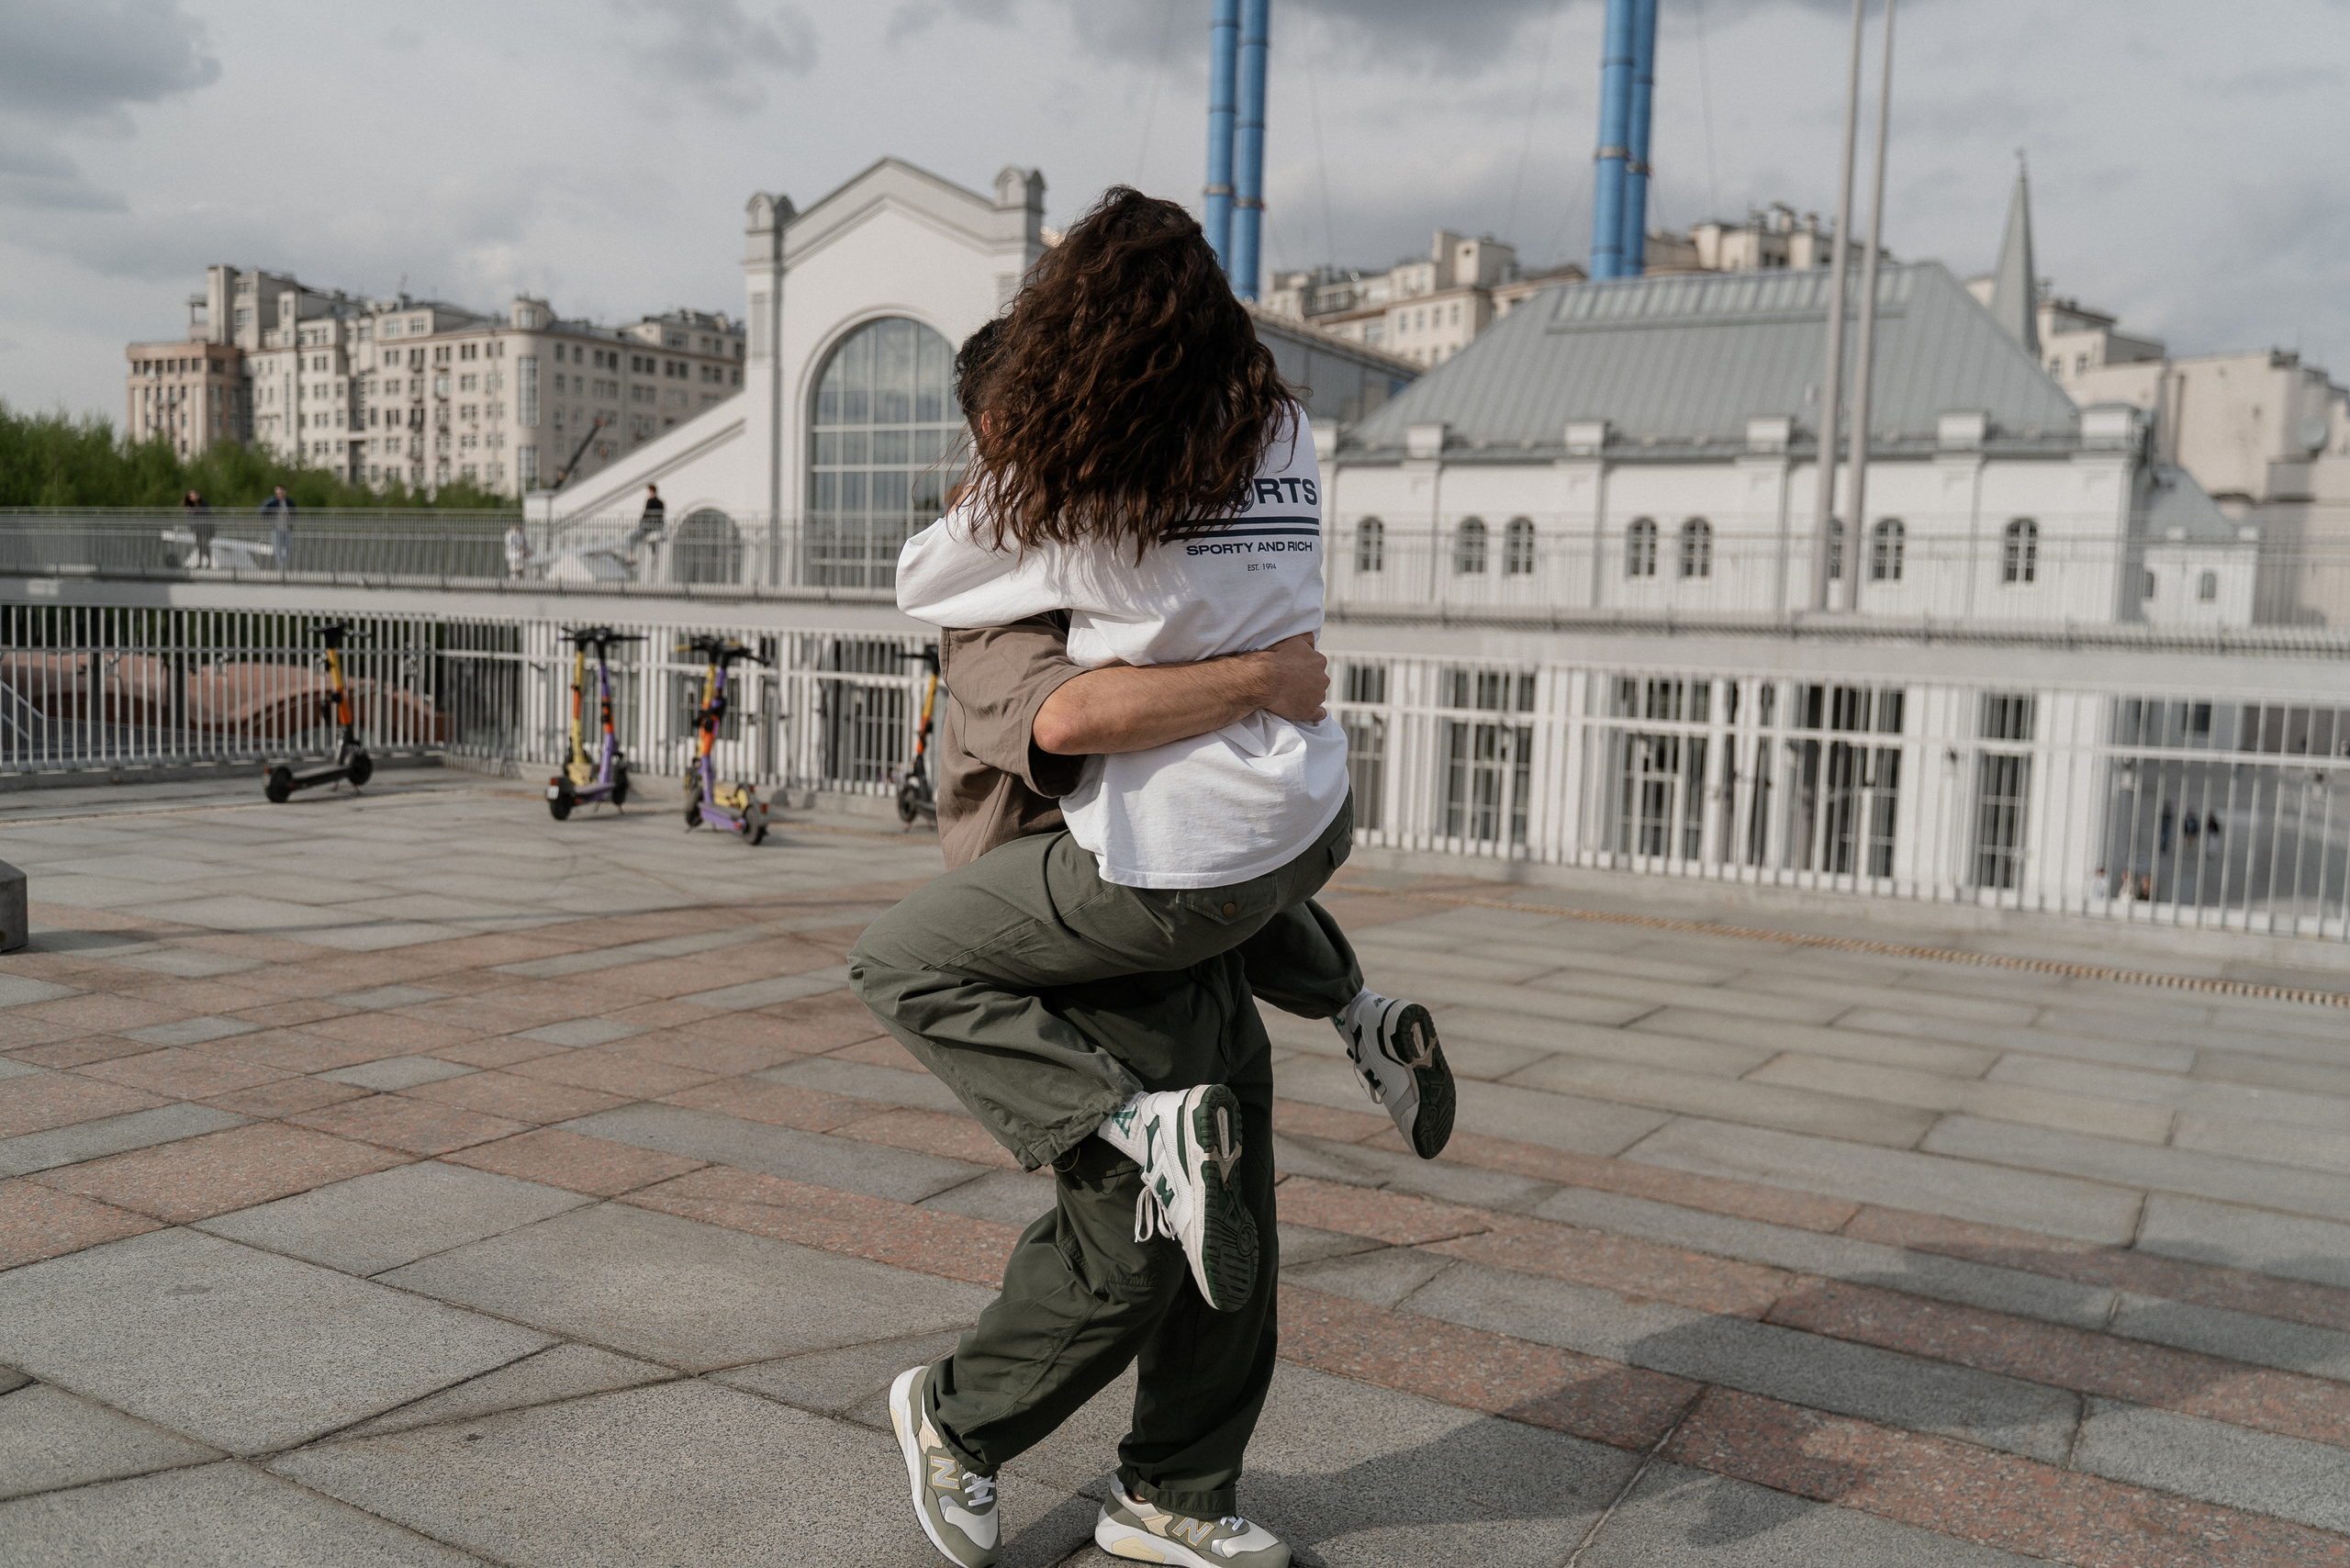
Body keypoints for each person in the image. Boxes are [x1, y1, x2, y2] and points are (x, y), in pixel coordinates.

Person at [852, 189, 1449, 1568]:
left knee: (1233, 1211)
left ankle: (1176, 1489)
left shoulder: (1125, 511)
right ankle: (955, 1417)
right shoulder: (1014, 580)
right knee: (1130, 1242)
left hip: (1170, 886)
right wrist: (1260, 677)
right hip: (1075, 913)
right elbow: (1070, 721)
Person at [262, 486, 295, 572]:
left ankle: (282, 560)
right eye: (277, 493)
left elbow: (294, 512)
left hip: (286, 528)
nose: (279, 494)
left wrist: (291, 517)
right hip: (276, 528)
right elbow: (262, 510)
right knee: (277, 548)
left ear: (284, 492)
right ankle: (281, 566)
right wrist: (270, 517)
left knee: (289, 547)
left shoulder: (289, 502)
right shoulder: (272, 501)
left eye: (280, 492)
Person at [182, 490, 214, 567]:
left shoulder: (203, 504)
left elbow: (206, 513)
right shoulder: (190, 507)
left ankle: (208, 562)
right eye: (191, 496)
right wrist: (192, 529)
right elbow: (190, 519)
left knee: (204, 544)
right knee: (199, 545)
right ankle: (200, 563)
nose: (194, 497)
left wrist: (196, 510)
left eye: (195, 495)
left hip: (207, 528)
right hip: (198, 529)